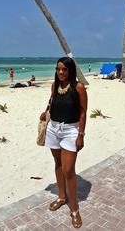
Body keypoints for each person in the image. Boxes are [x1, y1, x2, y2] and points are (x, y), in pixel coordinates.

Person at [38, 57, 87, 228]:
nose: (60, 72)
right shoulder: (54, 86)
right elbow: (51, 103)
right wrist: (45, 113)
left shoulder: (78, 87)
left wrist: (81, 134)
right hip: (53, 128)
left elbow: (82, 113)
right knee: (58, 164)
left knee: (69, 170)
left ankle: (74, 209)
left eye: (64, 69)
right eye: (58, 69)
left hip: (71, 130)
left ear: (70, 70)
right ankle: (61, 197)